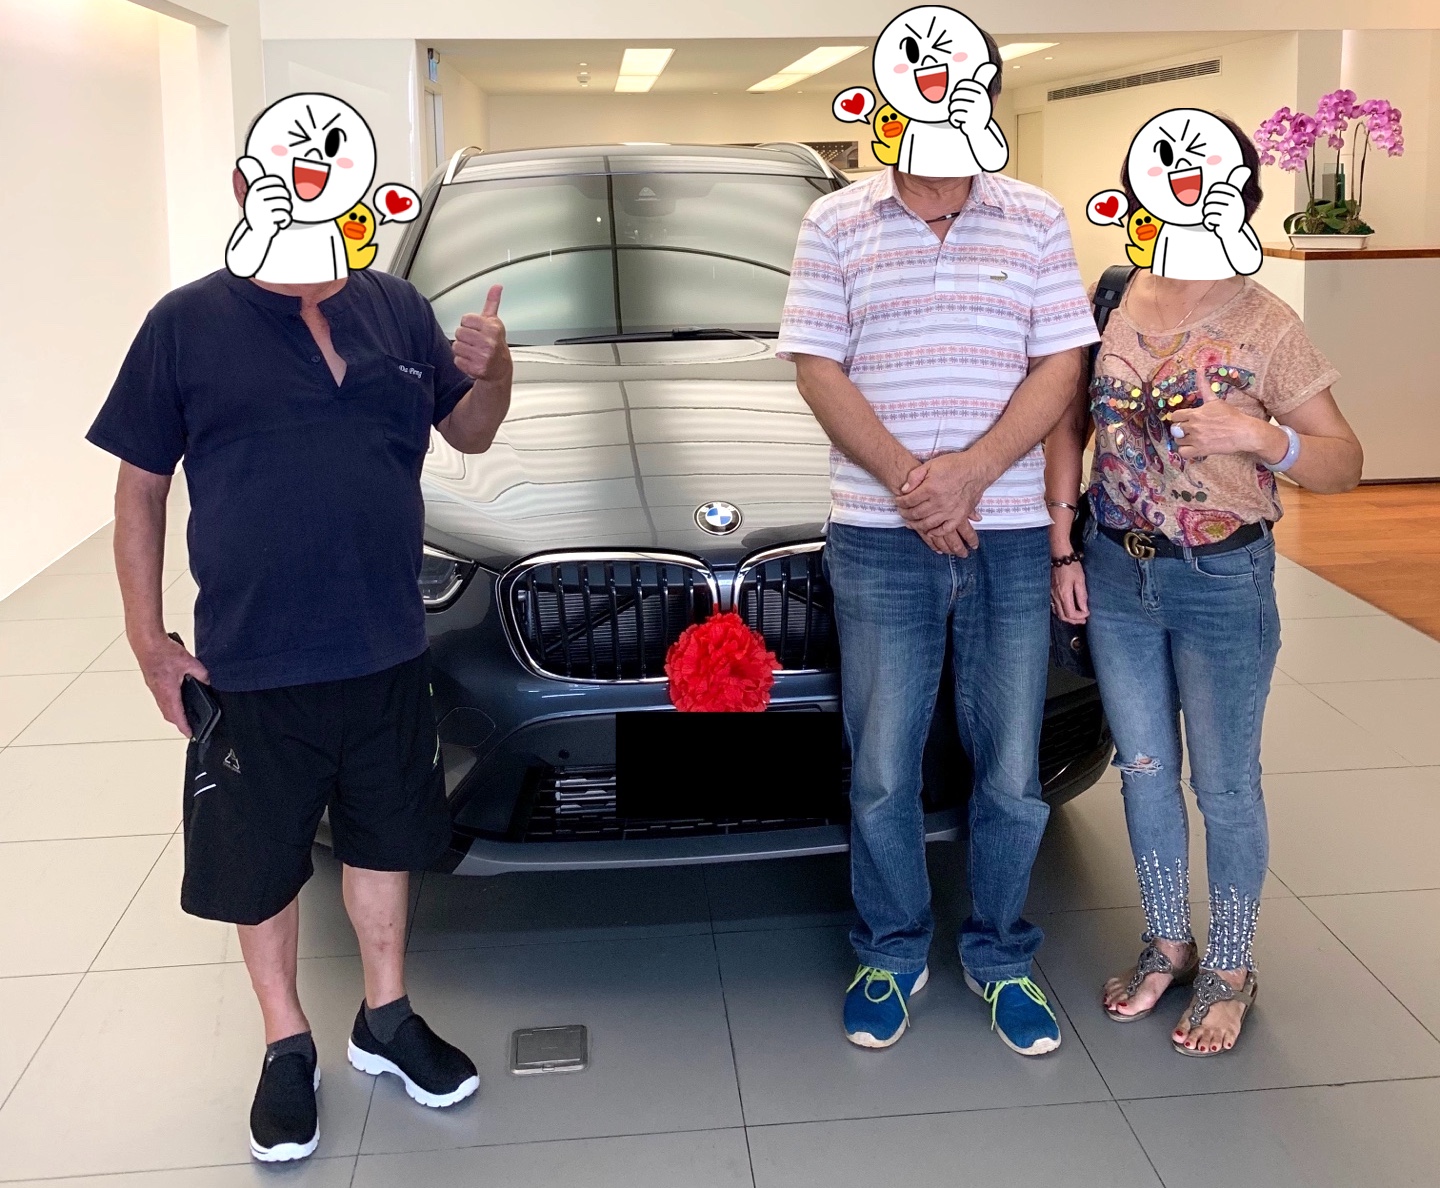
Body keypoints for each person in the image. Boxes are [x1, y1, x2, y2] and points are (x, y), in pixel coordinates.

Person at [86, 165, 512, 1161]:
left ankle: (386, 1016)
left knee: (383, 839)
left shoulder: (396, 308)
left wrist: (494, 370)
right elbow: (140, 488)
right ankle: (286, 1042)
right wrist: (148, 639)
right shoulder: (185, 323)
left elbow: (473, 430)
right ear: (247, 192)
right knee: (262, 860)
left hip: (386, 643)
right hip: (252, 656)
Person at [777, 31, 1098, 1057]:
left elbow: (1060, 365)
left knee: (1010, 765)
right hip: (880, 537)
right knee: (882, 762)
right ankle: (890, 948)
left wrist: (971, 472)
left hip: (1009, 537)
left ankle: (1001, 952)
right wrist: (917, 487)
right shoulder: (835, 220)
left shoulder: (1036, 216)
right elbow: (819, 367)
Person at [1045, 116, 1362, 1057]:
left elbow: (1344, 462)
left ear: (1240, 194)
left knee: (1223, 785)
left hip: (1222, 578)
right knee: (1142, 770)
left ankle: (1229, 967)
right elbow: (1070, 425)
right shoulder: (1111, 296)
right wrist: (1064, 544)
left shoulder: (1267, 322)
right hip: (1116, 567)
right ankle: (1167, 943)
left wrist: (1264, 438)